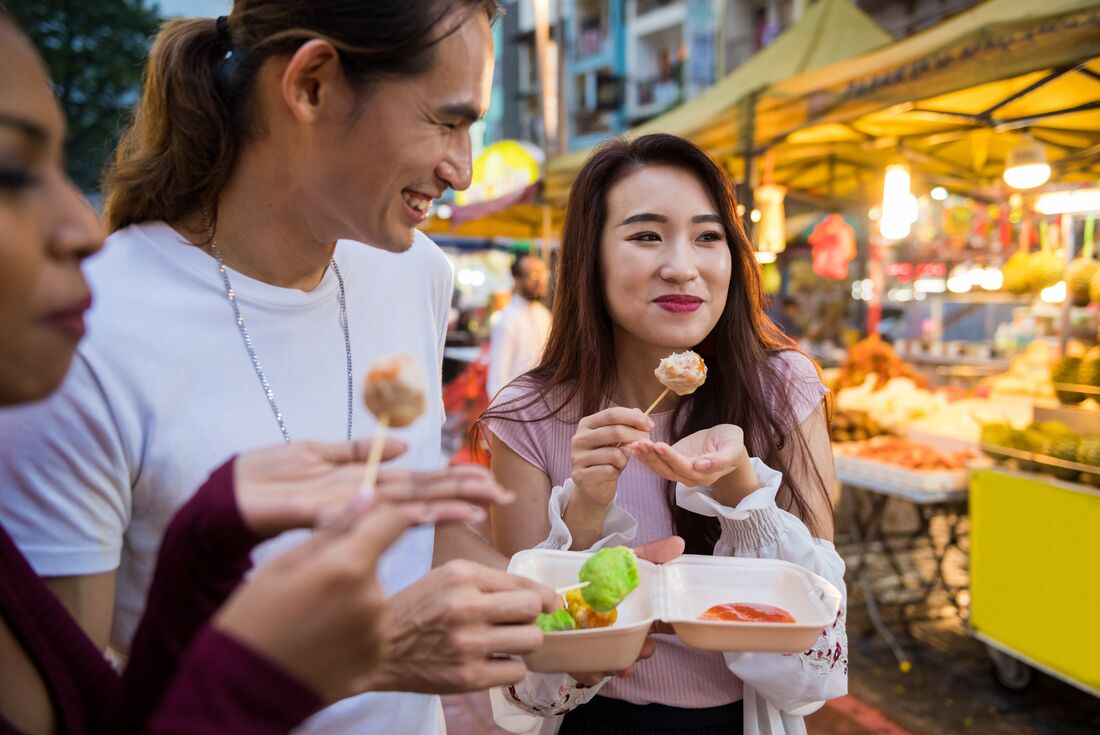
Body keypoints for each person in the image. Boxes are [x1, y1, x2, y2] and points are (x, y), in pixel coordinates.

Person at [0, 2, 559, 733]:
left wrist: (560, 601)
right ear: (313, 84)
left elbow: (406, 536)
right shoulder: (79, 334)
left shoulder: (415, 270)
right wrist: (372, 652)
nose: (462, 167)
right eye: (446, 122)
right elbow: (81, 704)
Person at [479, 134, 848, 735]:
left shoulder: (784, 388)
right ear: (589, 259)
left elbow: (820, 661)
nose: (683, 266)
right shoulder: (527, 416)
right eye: (646, 235)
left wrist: (739, 488)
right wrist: (586, 514)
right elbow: (528, 686)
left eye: (708, 236)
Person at [488, 254, 552, 397]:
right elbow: (497, 379)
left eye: (543, 273)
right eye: (533, 275)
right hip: (514, 405)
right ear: (517, 280)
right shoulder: (506, 319)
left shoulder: (545, 315)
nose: (540, 280)